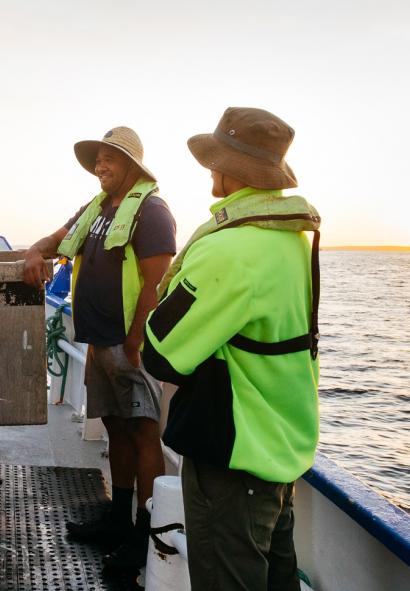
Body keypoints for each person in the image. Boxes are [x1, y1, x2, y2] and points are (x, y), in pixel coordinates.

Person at [142, 107, 321, 590]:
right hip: (277, 452)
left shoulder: (233, 249)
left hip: (233, 461)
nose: (210, 169)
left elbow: (160, 353)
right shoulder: (291, 240)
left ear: (232, 168)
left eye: (215, 159)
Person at [22, 127, 176, 572]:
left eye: (109, 158)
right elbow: (58, 237)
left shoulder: (151, 212)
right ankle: (118, 517)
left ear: (133, 165)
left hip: (129, 346)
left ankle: (145, 537)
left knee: (144, 433)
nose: (100, 166)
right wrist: (35, 249)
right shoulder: (96, 209)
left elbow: (156, 283)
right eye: (98, 159)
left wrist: (135, 342)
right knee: (115, 428)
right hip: (97, 341)